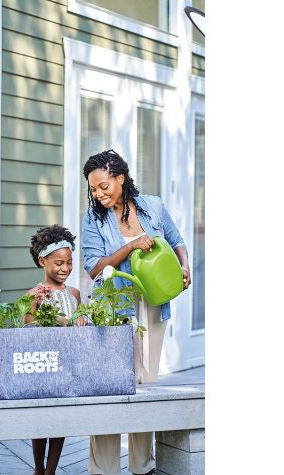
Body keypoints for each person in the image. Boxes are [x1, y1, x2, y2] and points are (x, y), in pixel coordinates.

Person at [81, 150, 191, 475]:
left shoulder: (153, 206)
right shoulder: (94, 219)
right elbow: (94, 268)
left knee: (145, 384)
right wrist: (130, 246)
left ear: (120, 177)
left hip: (152, 306)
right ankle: (104, 469)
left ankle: (143, 466)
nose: (99, 194)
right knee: (110, 385)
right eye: (94, 189)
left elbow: (176, 239)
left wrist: (185, 265)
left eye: (104, 186)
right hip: (114, 307)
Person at [23, 224, 86, 475]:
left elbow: (80, 316)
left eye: (69, 263)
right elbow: (27, 324)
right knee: (41, 420)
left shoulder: (74, 293)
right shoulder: (35, 294)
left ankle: (51, 471)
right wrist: (61, 321)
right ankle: (38, 469)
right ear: (43, 261)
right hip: (44, 364)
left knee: (61, 419)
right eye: (59, 263)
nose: (65, 269)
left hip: (69, 365)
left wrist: (80, 318)